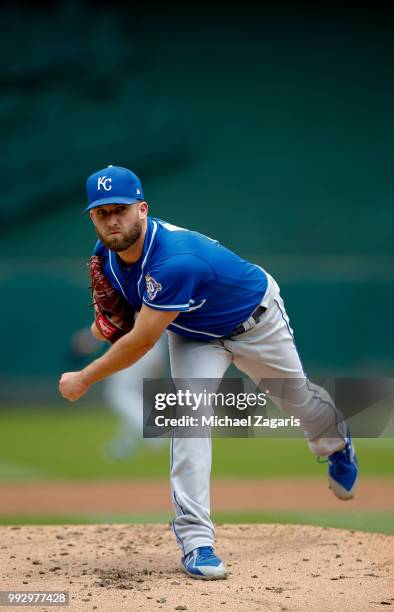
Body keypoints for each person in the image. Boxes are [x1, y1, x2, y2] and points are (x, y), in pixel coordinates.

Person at [59, 165, 359, 581]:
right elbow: (118, 320)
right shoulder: (105, 259)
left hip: (257, 322)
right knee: (189, 421)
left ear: (142, 209)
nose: (112, 219)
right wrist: (97, 331)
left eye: (121, 209)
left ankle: (336, 442)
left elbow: (142, 340)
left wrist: (85, 376)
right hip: (194, 335)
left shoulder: (174, 261)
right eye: (102, 211)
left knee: (297, 401)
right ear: (91, 217)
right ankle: (197, 543)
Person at [69, 327, 167, 459]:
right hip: (153, 351)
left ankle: (153, 431)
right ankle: (126, 444)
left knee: (119, 395)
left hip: (135, 351)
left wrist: (88, 339)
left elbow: (113, 321)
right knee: (133, 398)